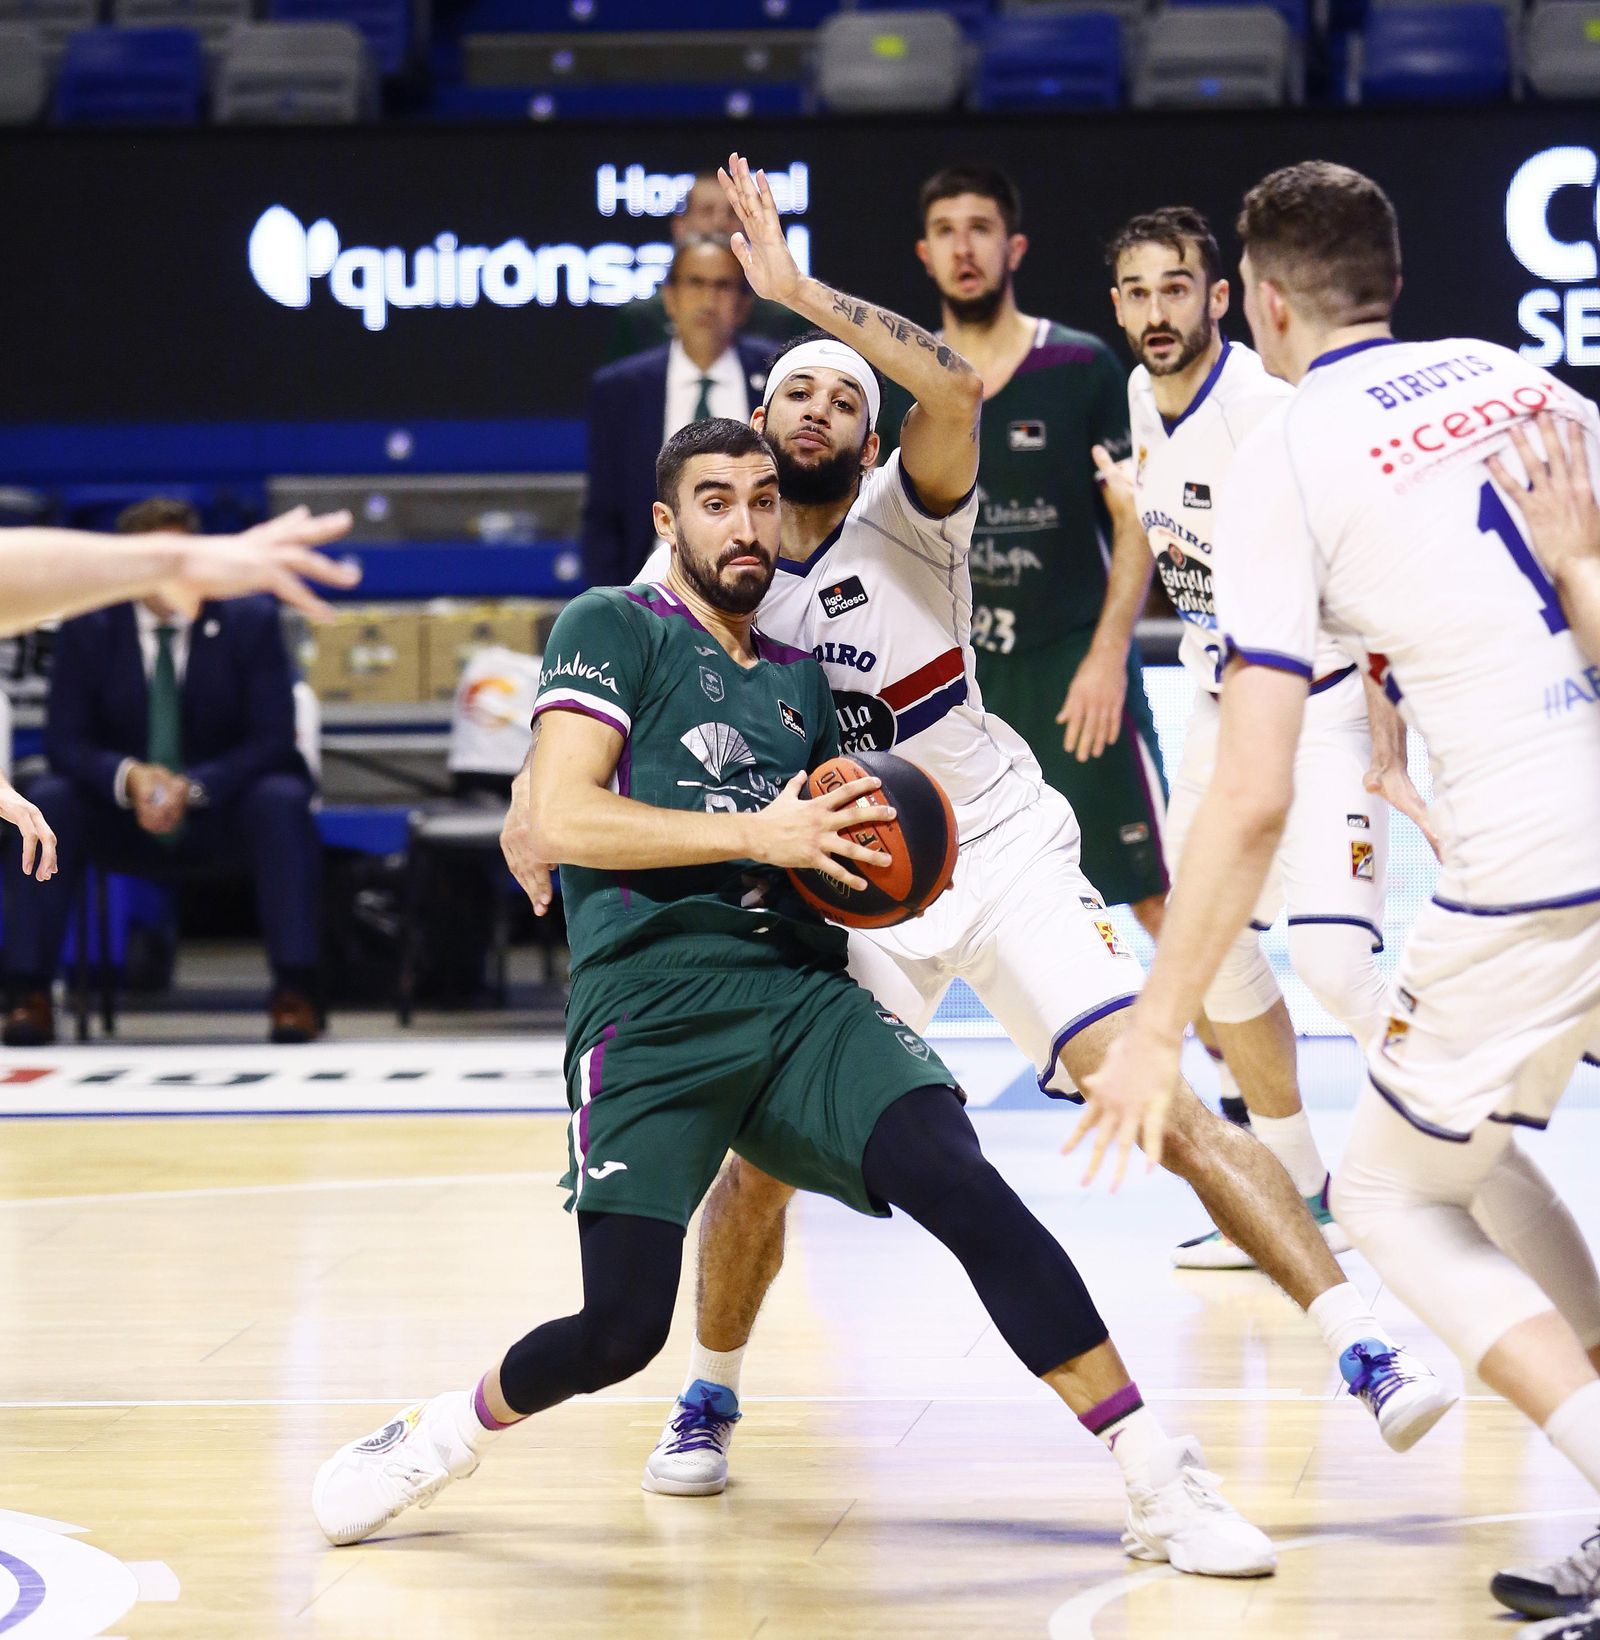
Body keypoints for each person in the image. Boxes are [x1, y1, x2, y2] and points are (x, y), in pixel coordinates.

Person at [606, 154, 1447, 1499]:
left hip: (990, 849)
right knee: (758, 1163)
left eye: (841, 393)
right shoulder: (704, 572)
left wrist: (797, 295)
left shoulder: (912, 512)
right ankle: (708, 1394)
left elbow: (947, 384)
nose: (819, 400)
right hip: (845, 887)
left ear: (872, 443)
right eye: (794, 392)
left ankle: (1360, 1342)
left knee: (1155, 1093)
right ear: (753, 441)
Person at [311, 415, 1279, 1581]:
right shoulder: (612, 626)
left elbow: (832, 855)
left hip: (796, 992)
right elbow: (565, 815)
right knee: (619, 1329)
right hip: (649, 1005)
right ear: (668, 523)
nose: (747, 523)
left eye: (764, 499)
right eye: (716, 501)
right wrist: (754, 828)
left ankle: (1151, 1471)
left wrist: (885, 868)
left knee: (961, 1179)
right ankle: (435, 1436)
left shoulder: (797, 679)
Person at [1073, 160, 1600, 1637]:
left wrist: (1158, 1026)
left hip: (1542, 859)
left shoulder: (1284, 452)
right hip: (1564, 820)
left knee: (1382, 1193)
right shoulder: (1528, 378)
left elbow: (1244, 795)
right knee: (1455, 1133)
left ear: (1264, 301)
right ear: (1398, 277)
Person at [1104, 205, 1436, 1270]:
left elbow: (1369, 558)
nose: (1156, 310)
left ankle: (1446, 1150)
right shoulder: (1136, 399)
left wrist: (1389, 724)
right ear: (1118, 306)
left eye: (1175, 288)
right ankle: (1298, 1196)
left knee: (1337, 965)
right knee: (1204, 953)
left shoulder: (1270, 410)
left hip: (1328, 705)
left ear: (1217, 298)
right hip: (1220, 708)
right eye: (1136, 290)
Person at [874, 164, 1169, 932]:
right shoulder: (909, 378)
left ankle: (1206, 1051)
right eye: (945, 231)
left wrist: (1108, 659)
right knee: (926, 905)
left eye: (980, 229)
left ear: (1015, 248)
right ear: (924, 253)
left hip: (1074, 669)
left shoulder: (1082, 367)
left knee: (1153, 893)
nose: (963, 247)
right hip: (954, 685)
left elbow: (1133, 518)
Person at [3, 499, 325, 1046]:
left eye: (182, 557)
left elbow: (272, 740)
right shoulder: (90, 623)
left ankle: (296, 990)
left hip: (221, 805)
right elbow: (65, 740)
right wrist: (129, 778)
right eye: (158, 560)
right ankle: (27, 991)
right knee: (50, 798)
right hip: (118, 811)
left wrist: (193, 786)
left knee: (281, 800)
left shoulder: (250, 619)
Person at [582, 235, 780, 589]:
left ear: (743, 304)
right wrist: (611, 605)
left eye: (722, 286)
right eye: (695, 283)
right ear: (669, 299)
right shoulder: (621, 390)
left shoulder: (775, 377)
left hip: (760, 579)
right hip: (650, 589)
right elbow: (603, 515)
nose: (708, 299)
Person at [605, 170, 810, 362]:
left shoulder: (782, 319)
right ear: (680, 226)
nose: (720, 222)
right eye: (706, 211)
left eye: (732, 213)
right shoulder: (640, 319)